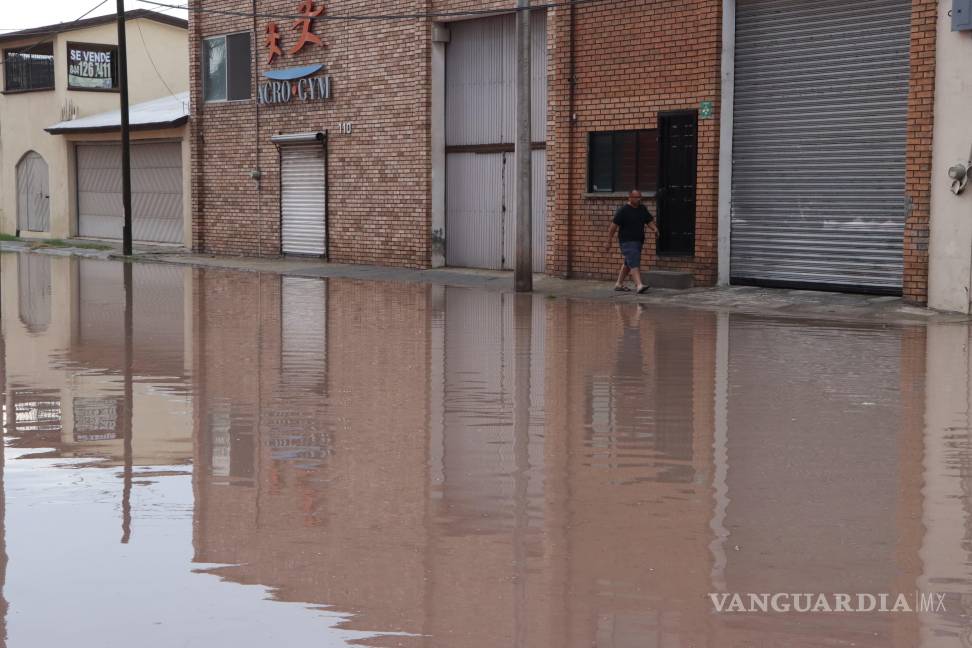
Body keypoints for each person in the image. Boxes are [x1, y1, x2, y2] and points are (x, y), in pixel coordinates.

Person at [604, 189, 659, 294]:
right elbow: (613, 227)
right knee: (634, 261)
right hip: (627, 241)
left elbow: (649, 220)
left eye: (640, 197)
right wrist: (608, 241)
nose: (639, 199)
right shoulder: (623, 211)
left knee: (628, 262)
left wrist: (655, 229)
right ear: (630, 198)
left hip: (638, 240)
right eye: (636, 197)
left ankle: (619, 284)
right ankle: (639, 285)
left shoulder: (642, 208)